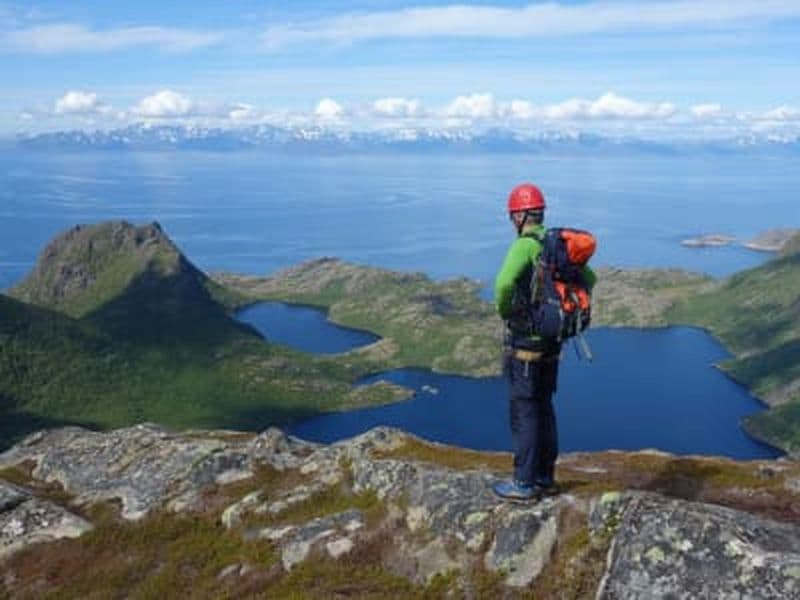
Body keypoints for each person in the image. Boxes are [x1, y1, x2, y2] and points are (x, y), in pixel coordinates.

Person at [492, 182, 596, 501]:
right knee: (543, 408)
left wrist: (507, 311)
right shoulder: (557, 245)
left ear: (521, 216)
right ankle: (545, 477)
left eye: (513, 217)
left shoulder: (525, 245)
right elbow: (590, 279)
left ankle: (523, 483)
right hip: (553, 344)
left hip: (526, 344)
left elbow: (504, 284)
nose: (512, 222)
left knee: (524, 410)